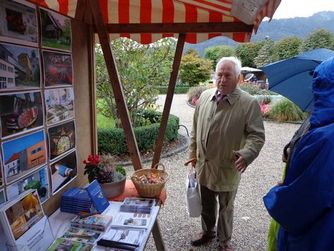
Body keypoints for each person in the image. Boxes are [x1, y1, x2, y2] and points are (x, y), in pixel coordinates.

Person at [187, 57, 265, 251]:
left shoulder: (248, 103)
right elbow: (195, 129)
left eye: (227, 75)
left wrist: (247, 154)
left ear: (238, 78)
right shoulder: (205, 96)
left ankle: (224, 241)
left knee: (226, 207)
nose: (222, 79)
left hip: (227, 165)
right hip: (204, 164)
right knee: (206, 203)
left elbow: (257, 136)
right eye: (219, 74)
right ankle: (207, 232)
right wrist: (192, 154)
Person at [263, 57, 334, 251]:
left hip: (316, 237)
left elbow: (303, 201)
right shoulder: (319, 127)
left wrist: (278, 194)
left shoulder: (326, 138)